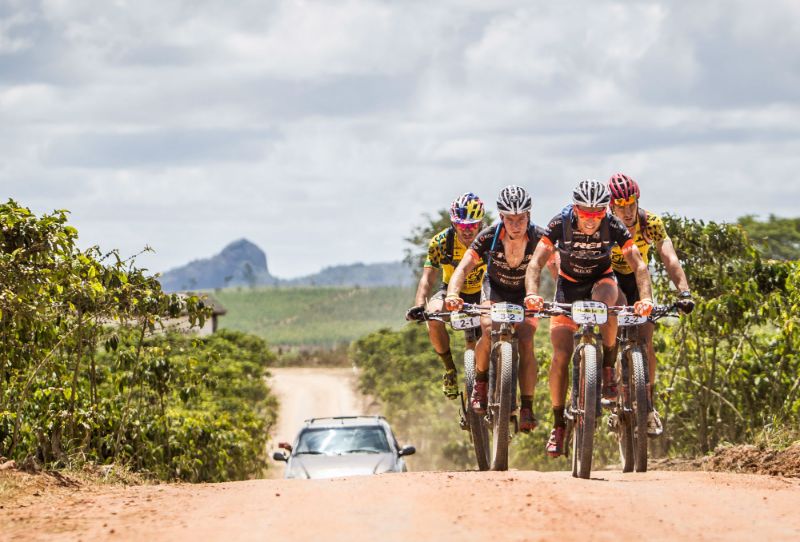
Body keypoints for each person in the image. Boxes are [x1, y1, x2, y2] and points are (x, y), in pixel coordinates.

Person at [524, 179, 654, 457]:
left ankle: (607, 369)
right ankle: (558, 425)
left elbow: (638, 264)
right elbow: (535, 263)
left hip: (601, 281)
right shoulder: (559, 222)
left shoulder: (613, 224)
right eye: (586, 214)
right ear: (575, 209)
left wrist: (645, 299)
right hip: (568, 287)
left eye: (598, 213)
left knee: (607, 303)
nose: (592, 220)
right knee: (560, 354)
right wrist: (532, 294)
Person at [444, 185, 556, 432]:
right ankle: (481, 383)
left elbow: (556, 268)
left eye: (521, 219)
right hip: (495, 289)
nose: (516, 225)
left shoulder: (540, 237)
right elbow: (462, 268)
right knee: (486, 327)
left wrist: (561, 298)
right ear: (500, 216)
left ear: (529, 215)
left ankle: (527, 406)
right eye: (510, 219)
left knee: (526, 339)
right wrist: (452, 293)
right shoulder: (488, 236)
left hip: (525, 294)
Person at [607, 172, 695, 435]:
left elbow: (670, 258)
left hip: (638, 280)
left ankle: (648, 407)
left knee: (646, 341)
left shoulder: (650, 223)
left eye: (631, 204)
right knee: (608, 330)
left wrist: (684, 292)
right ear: (611, 206)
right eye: (621, 207)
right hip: (609, 281)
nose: (627, 212)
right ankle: (603, 387)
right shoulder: (606, 226)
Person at [406, 192, 487, 398]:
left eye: (473, 225)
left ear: (481, 223)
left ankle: (504, 382)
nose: (468, 231)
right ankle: (450, 370)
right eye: (462, 226)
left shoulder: (491, 240)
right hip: (451, 292)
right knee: (433, 316)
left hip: (483, 291)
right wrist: (418, 306)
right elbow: (427, 278)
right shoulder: (440, 242)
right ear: (453, 223)